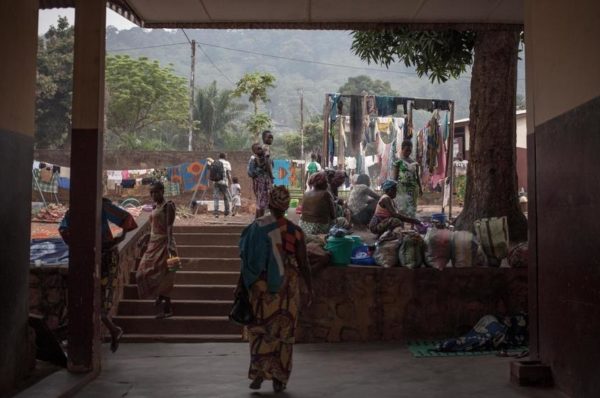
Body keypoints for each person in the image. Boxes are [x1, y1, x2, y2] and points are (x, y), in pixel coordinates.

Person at [238, 186, 313, 393]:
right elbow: (304, 263)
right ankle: (280, 378)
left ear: (269, 204)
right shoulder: (295, 232)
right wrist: (310, 288)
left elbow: (245, 257)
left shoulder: (256, 227)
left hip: (261, 290)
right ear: (288, 205)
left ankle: (260, 372)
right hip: (287, 289)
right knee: (284, 333)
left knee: (260, 330)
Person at [59, 197, 138, 353]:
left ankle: (84, 337)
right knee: (90, 298)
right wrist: (118, 238)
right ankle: (111, 330)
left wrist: (80, 244)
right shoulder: (93, 207)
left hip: (102, 258)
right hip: (95, 256)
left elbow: (63, 230)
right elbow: (127, 219)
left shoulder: (92, 206)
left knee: (93, 298)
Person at [136, 181, 178, 319]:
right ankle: (160, 296)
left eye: (156, 192)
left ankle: (167, 309)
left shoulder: (168, 206)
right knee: (142, 273)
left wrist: (170, 246)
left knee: (166, 276)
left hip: (165, 244)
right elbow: (155, 227)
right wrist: (146, 237)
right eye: (151, 192)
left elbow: (169, 227)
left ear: (162, 191)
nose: (153, 195)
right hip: (153, 244)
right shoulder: (155, 207)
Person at [393, 140, 422, 218]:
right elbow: (395, 178)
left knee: (412, 207)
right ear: (402, 149)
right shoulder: (398, 162)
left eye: (410, 150)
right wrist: (393, 189)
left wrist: (421, 188)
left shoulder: (415, 163)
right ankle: (401, 226)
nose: (408, 152)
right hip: (401, 189)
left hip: (413, 189)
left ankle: (412, 227)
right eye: (406, 150)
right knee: (402, 207)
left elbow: (417, 177)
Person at [248, 143, 273, 218]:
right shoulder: (254, 159)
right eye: (258, 149)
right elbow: (251, 173)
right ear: (254, 151)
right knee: (261, 204)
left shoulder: (263, 158)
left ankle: (258, 221)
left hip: (264, 183)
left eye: (260, 148)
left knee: (262, 203)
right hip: (260, 184)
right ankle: (259, 221)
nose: (260, 149)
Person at [211, 153, 232, 218]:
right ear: (225, 157)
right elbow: (228, 173)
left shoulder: (215, 162)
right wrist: (231, 182)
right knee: (226, 197)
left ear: (219, 157)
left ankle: (216, 213)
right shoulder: (227, 163)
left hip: (216, 182)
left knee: (216, 198)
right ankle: (227, 212)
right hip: (224, 182)